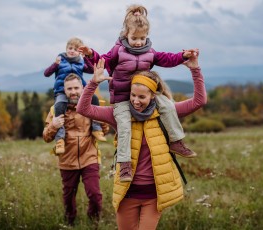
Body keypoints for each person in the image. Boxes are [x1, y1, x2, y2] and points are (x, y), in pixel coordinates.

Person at [76, 51, 206, 229]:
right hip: (126, 192)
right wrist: (93, 83)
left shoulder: (166, 113)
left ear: (153, 95)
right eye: (132, 95)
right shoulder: (118, 114)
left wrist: (195, 69)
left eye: (141, 97)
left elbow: (199, 100)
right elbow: (83, 109)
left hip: (153, 195)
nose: (135, 101)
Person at [79, 4, 198, 183]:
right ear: (126, 34)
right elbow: (102, 60)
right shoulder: (117, 51)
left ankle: (175, 141)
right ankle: (125, 163)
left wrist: (183, 56)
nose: (138, 42)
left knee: (167, 105)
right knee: (125, 127)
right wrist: (90, 54)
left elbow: (167, 59)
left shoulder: (150, 52)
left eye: (142, 38)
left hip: (144, 93)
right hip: (121, 98)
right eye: (134, 38)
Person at [42, 73, 109, 227]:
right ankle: (70, 221)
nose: (73, 92)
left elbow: (104, 131)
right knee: (68, 196)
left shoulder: (91, 105)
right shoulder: (56, 109)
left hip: (89, 157)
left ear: (82, 88)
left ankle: (94, 221)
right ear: (64, 91)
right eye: (69, 88)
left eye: (76, 88)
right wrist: (53, 125)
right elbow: (46, 137)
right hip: (67, 161)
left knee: (95, 195)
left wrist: (100, 120)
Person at [44, 37, 106, 155]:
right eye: (70, 48)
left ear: (80, 52)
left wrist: (86, 58)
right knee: (59, 108)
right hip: (62, 90)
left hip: (79, 90)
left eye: (76, 49)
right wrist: (54, 64)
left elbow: (90, 70)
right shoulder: (60, 60)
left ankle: (96, 128)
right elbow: (46, 73)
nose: (72, 51)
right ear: (66, 48)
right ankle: (60, 139)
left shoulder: (80, 61)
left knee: (94, 99)